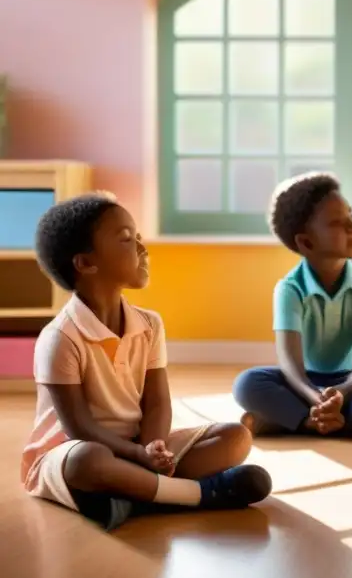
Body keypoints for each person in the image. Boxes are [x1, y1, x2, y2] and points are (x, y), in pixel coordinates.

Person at [24, 194, 271, 531]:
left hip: (140, 445)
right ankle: (198, 495)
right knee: (88, 461)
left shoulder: (149, 324)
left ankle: (132, 496)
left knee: (236, 437)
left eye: (138, 236)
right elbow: (79, 427)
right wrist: (140, 457)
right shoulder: (60, 338)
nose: (142, 248)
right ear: (85, 263)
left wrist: (152, 447)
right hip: (74, 451)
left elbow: (157, 402)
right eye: (126, 239)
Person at [233, 173, 352, 440]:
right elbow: (290, 365)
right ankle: (347, 425)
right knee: (247, 383)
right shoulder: (289, 289)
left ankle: (293, 422)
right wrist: (314, 397)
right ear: (307, 242)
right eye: (338, 223)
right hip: (302, 383)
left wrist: (342, 392)